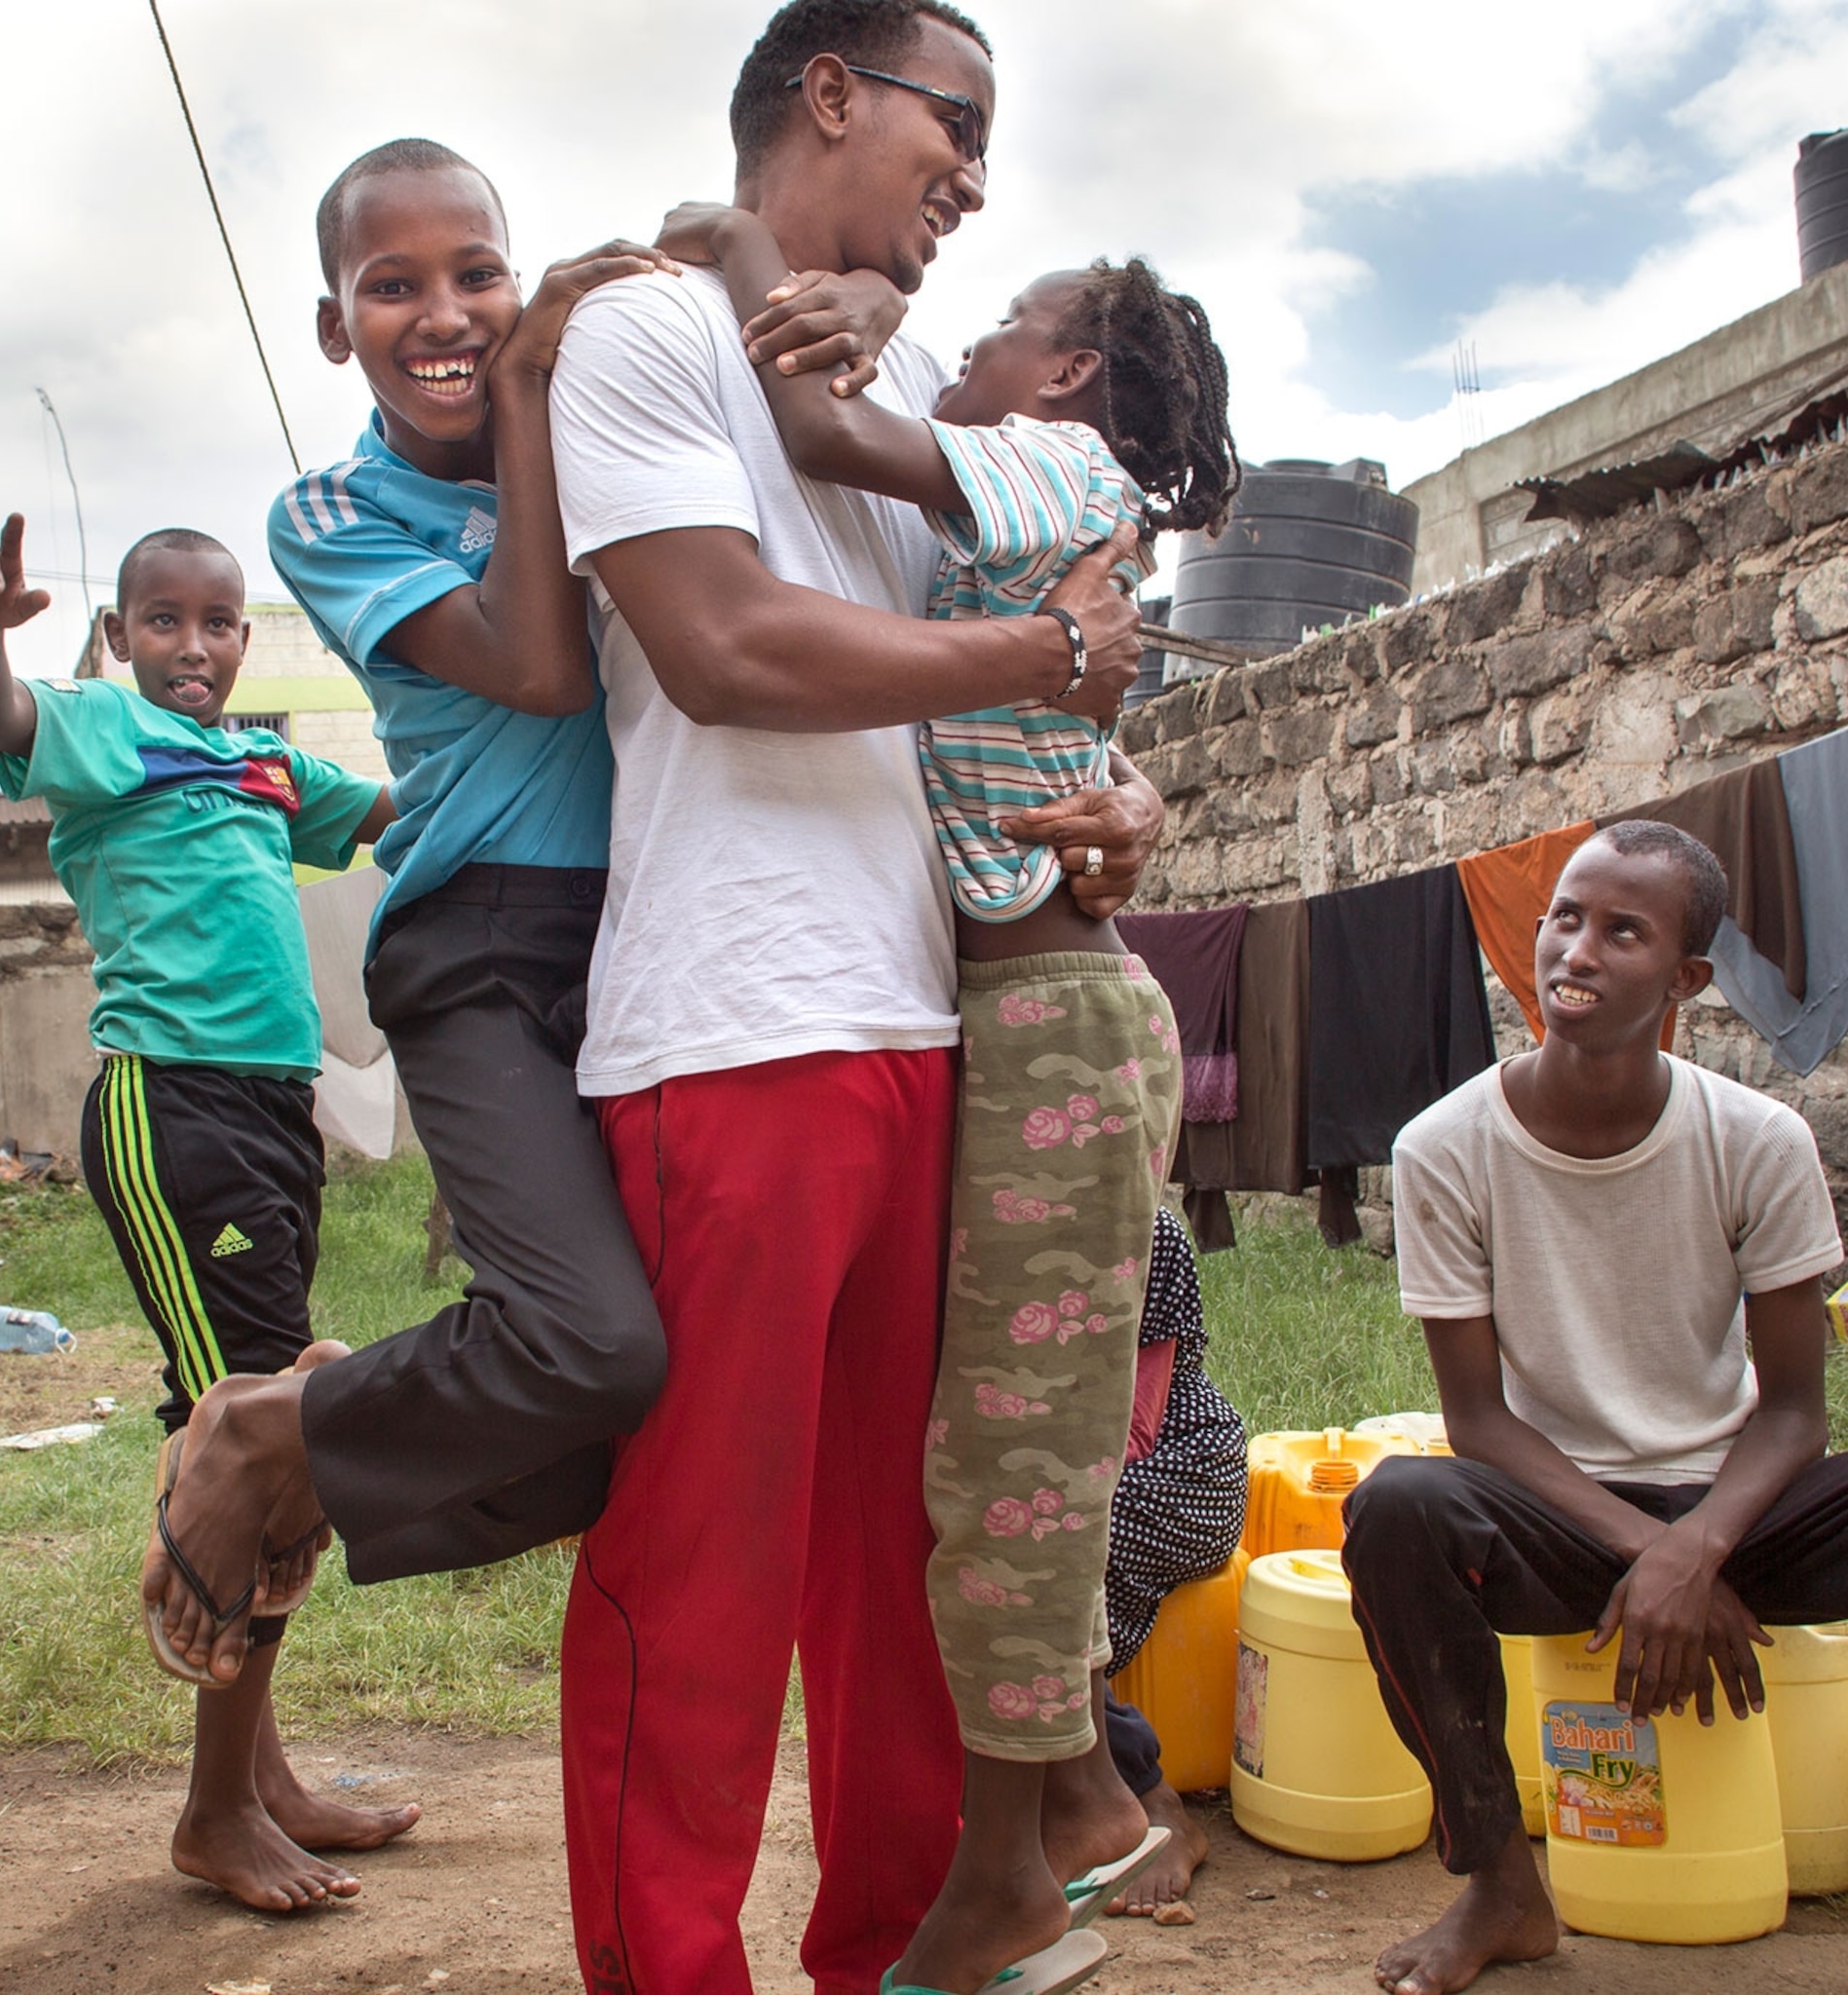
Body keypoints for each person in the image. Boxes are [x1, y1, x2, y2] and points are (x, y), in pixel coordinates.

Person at [541, 4, 1172, 1988]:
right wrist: (1044, 660)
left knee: (905, 1563)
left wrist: (1116, 788)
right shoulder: (646, 331)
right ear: (828, 93)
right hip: (734, 1022)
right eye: (952, 121)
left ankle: (907, 1940)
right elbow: (725, 646)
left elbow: (1040, 680)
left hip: (935, 1028)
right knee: (699, 1577)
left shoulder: (908, 392)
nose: (973, 175)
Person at [657, 199, 1242, 1991]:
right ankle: (1074, 1800)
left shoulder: (1052, 463)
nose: (968, 347)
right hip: (1020, 1011)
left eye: (1001, 329)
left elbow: (824, 431)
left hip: (1055, 1018)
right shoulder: (1039, 500)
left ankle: (1008, 1870)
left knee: (1018, 1463)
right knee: (982, 1449)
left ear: (1066, 372)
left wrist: (735, 250)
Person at [1343, 820, 1848, 1995]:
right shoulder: (1444, 1146)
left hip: (1745, 1505)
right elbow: (1479, 1420)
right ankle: (1502, 1887)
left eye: (1622, 930)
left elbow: (1793, 1413)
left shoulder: (1757, 1138)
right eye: (1565, 917)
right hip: (1562, 1515)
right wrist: (1655, 1550)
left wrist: (1702, 1542)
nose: (1577, 949)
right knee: (1398, 1508)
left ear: (1684, 979)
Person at [149, 141, 696, 1683]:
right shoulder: (332, 509)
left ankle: (309, 1437)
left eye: (478, 274)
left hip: (648, 938)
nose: (443, 313)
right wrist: (523, 387)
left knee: (609, 1430)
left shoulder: (596, 436)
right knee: (600, 1347)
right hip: (480, 952)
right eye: (392, 285)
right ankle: (264, 1431)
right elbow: (541, 667)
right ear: (337, 326)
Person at [0, 517, 406, 1914]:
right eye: (162, 621)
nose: (191, 647)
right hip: (172, 1104)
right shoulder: (99, 728)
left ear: (245, 639)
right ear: (118, 635)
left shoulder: (268, 766)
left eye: (216, 623)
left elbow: (397, 809)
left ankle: (263, 1782)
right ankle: (216, 1810)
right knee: (258, 1438)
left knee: (255, 1422)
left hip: (271, 1106)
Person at [1096, 1202, 1245, 1918]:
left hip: (1175, 1469)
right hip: (1071, 1468)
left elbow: (1135, 1428)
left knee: (1044, 1567)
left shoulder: (1147, 1228)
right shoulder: (986, 1212)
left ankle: (1154, 1801)